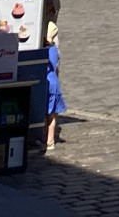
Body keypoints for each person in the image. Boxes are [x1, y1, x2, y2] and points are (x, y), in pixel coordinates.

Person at [45, 21, 66, 151]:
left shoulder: (41, 49)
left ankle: (42, 136)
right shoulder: (54, 51)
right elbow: (57, 68)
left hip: (44, 82)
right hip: (53, 82)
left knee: (44, 112)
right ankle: (50, 140)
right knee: (52, 114)